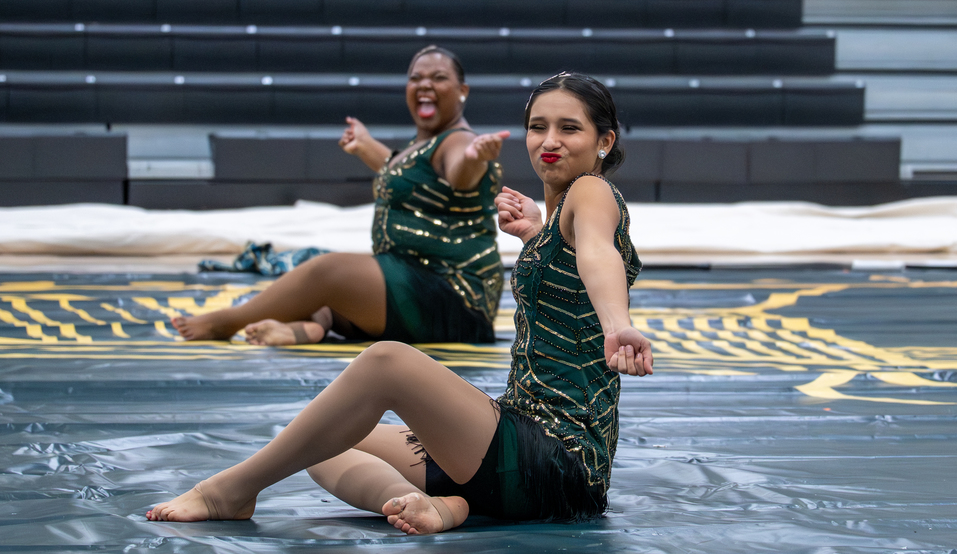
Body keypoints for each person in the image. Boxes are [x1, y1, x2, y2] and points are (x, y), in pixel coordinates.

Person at [146, 72, 653, 533]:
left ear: (604, 141)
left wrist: (617, 324)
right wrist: (535, 238)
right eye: (537, 127)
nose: (548, 141)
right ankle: (426, 503)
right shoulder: (559, 214)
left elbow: (596, 254)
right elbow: (572, 267)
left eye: (569, 129)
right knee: (316, 442)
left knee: (386, 361)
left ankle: (229, 491)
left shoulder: (591, 191)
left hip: (560, 460)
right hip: (520, 442)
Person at [171, 46, 509, 345]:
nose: (424, 85)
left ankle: (226, 322)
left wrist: (474, 159)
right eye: (415, 78)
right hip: (413, 280)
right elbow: (401, 172)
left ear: (462, 90)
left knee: (327, 273)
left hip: (453, 298)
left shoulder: (459, 141)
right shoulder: (419, 148)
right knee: (314, 286)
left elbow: (461, 177)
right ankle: (308, 329)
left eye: (438, 78)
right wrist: (365, 145)